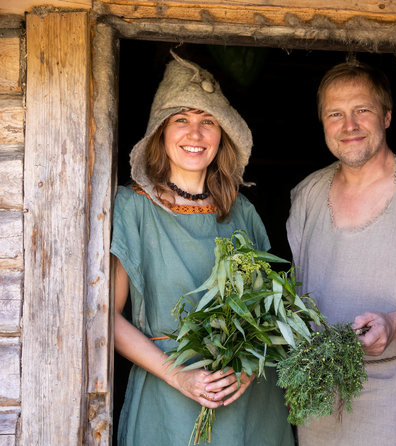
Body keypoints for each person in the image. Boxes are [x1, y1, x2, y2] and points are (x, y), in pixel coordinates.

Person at [112, 51, 294, 446]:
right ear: (161, 131)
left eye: (207, 122)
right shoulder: (133, 207)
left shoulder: (241, 211)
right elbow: (105, 318)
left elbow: (271, 311)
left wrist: (249, 365)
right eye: (181, 120)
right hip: (168, 394)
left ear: (220, 136)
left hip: (247, 398)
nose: (194, 135)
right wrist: (180, 375)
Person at [286, 60, 396, 445]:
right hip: (317, 388)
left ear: (387, 116)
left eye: (363, 111)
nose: (349, 126)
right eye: (335, 114)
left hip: (393, 390)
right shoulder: (306, 195)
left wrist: (395, 324)